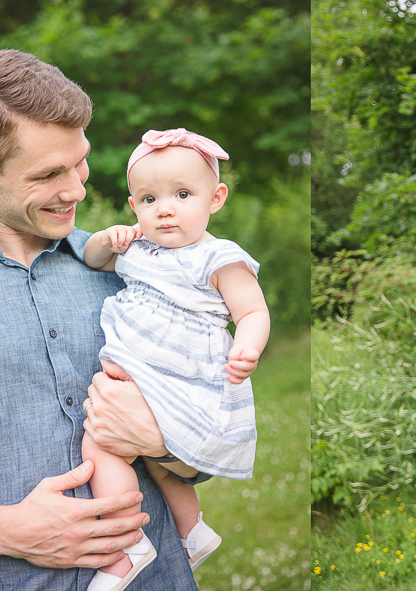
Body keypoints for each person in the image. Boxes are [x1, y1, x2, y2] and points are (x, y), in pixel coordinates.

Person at [0, 49, 202, 590]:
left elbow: (208, 432)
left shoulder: (134, 267)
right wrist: (4, 531)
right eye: (49, 174)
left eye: (81, 161)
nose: (77, 189)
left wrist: (165, 441)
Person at [81, 128, 268, 590]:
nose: (164, 208)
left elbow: (253, 310)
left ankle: (127, 548)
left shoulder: (218, 257)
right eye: (148, 199)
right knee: (155, 461)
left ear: (215, 198)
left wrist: (248, 346)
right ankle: (192, 530)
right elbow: (91, 259)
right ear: (134, 207)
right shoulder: (139, 249)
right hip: (143, 375)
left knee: (102, 446)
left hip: (183, 377)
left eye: (182, 194)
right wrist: (108, 240)